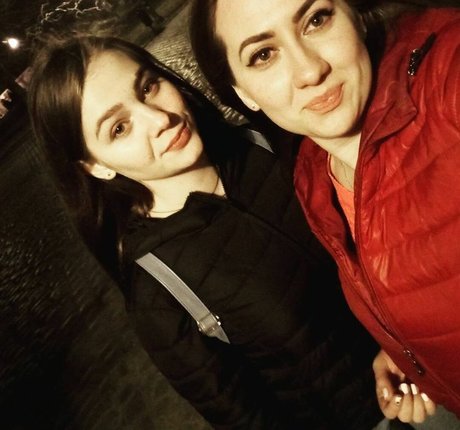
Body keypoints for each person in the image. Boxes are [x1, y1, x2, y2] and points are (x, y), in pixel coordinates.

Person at [27, 35, 387, 429]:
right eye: (119, 128)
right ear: (95, 166)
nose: (159, 120)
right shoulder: (160, 292)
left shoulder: (268, 141)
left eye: (148, 87)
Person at [189, 0, 460, 423]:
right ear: (243, 93)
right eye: (263, 54)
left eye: (316, 20)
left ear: (354, 14)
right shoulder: (313, 174)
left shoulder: (447, 76)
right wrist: (403, 349)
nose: (310, 70)